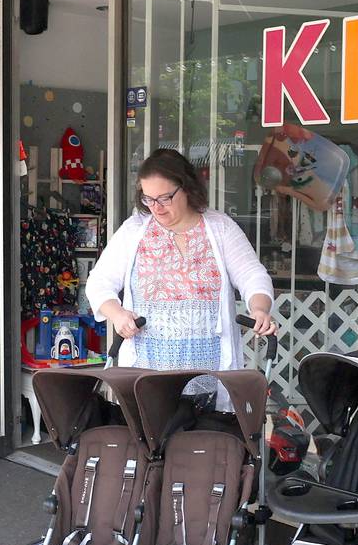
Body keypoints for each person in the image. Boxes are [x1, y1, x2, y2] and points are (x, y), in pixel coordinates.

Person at [86, 149, 277, 395]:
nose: (156, 208)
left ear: (186, 187)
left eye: (165, 198)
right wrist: (118, 314)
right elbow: (99, 282)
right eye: (148, 199)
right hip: (146, 376)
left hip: (211, 376)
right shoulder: (133, 231)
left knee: (207, 434)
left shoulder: (221, 228)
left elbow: (253, 275)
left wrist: (259, 309)